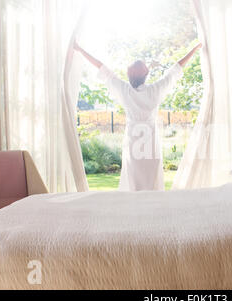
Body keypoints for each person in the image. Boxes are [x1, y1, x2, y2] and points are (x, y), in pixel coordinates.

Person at [74, 41, 202, 191]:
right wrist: (194, 48)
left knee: (134, 178)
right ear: (146, 75)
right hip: (150, 140)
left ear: (129, 75)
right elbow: (176, 69)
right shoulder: (155, 90)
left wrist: (80, 49)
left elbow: (101, 67)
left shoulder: (124, 90)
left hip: (133, 139)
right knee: (151, 177)